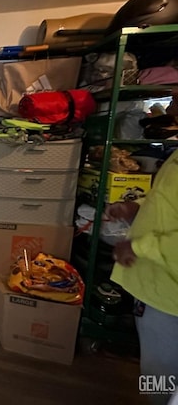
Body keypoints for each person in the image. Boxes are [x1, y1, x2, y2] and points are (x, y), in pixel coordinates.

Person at [106, 147, 178, 405]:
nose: (170, 105)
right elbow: (165, 201)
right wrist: (134, 208)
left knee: (160, 376)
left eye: (177, 103)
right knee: (154, 370)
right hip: (155, 285)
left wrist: (138, 247)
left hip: (169, 298)